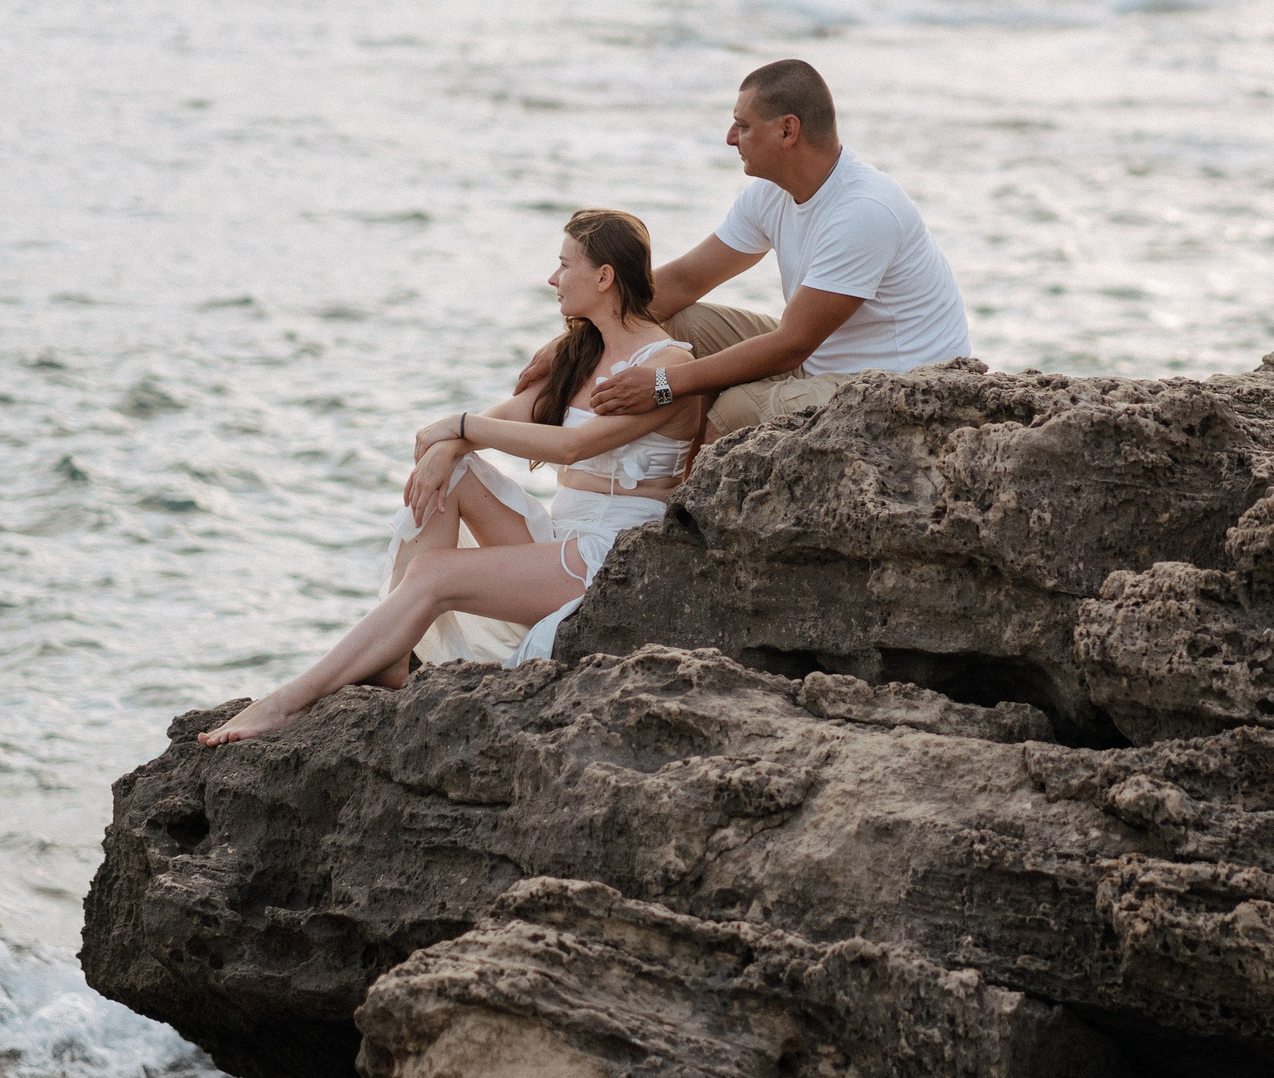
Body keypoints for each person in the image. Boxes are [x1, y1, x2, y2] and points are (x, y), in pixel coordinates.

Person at [198, 209, 704, 746]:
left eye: (564, 265)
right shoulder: (583, 352)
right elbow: (511, 415)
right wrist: (451, 446)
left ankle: (285, 704)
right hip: (563, 541)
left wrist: (460, 425)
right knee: (452, 472)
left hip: (612, 558)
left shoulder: (665, 366)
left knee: (433, 575)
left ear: (604, 277)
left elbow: (573, 444)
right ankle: (394, 657)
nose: (552, 280)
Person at [536, 59, 970, 432]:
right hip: (820, 358)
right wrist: (569, 344)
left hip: (899, 384)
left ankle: (682, 518)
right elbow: (684, 282)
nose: (729, 137)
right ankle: (640, 484)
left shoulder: (864, 211)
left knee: (734, 411)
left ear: (787, 131)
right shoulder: (771, 193)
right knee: (677, 324)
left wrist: (664, 382)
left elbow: (792, 343)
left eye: (742, 126)